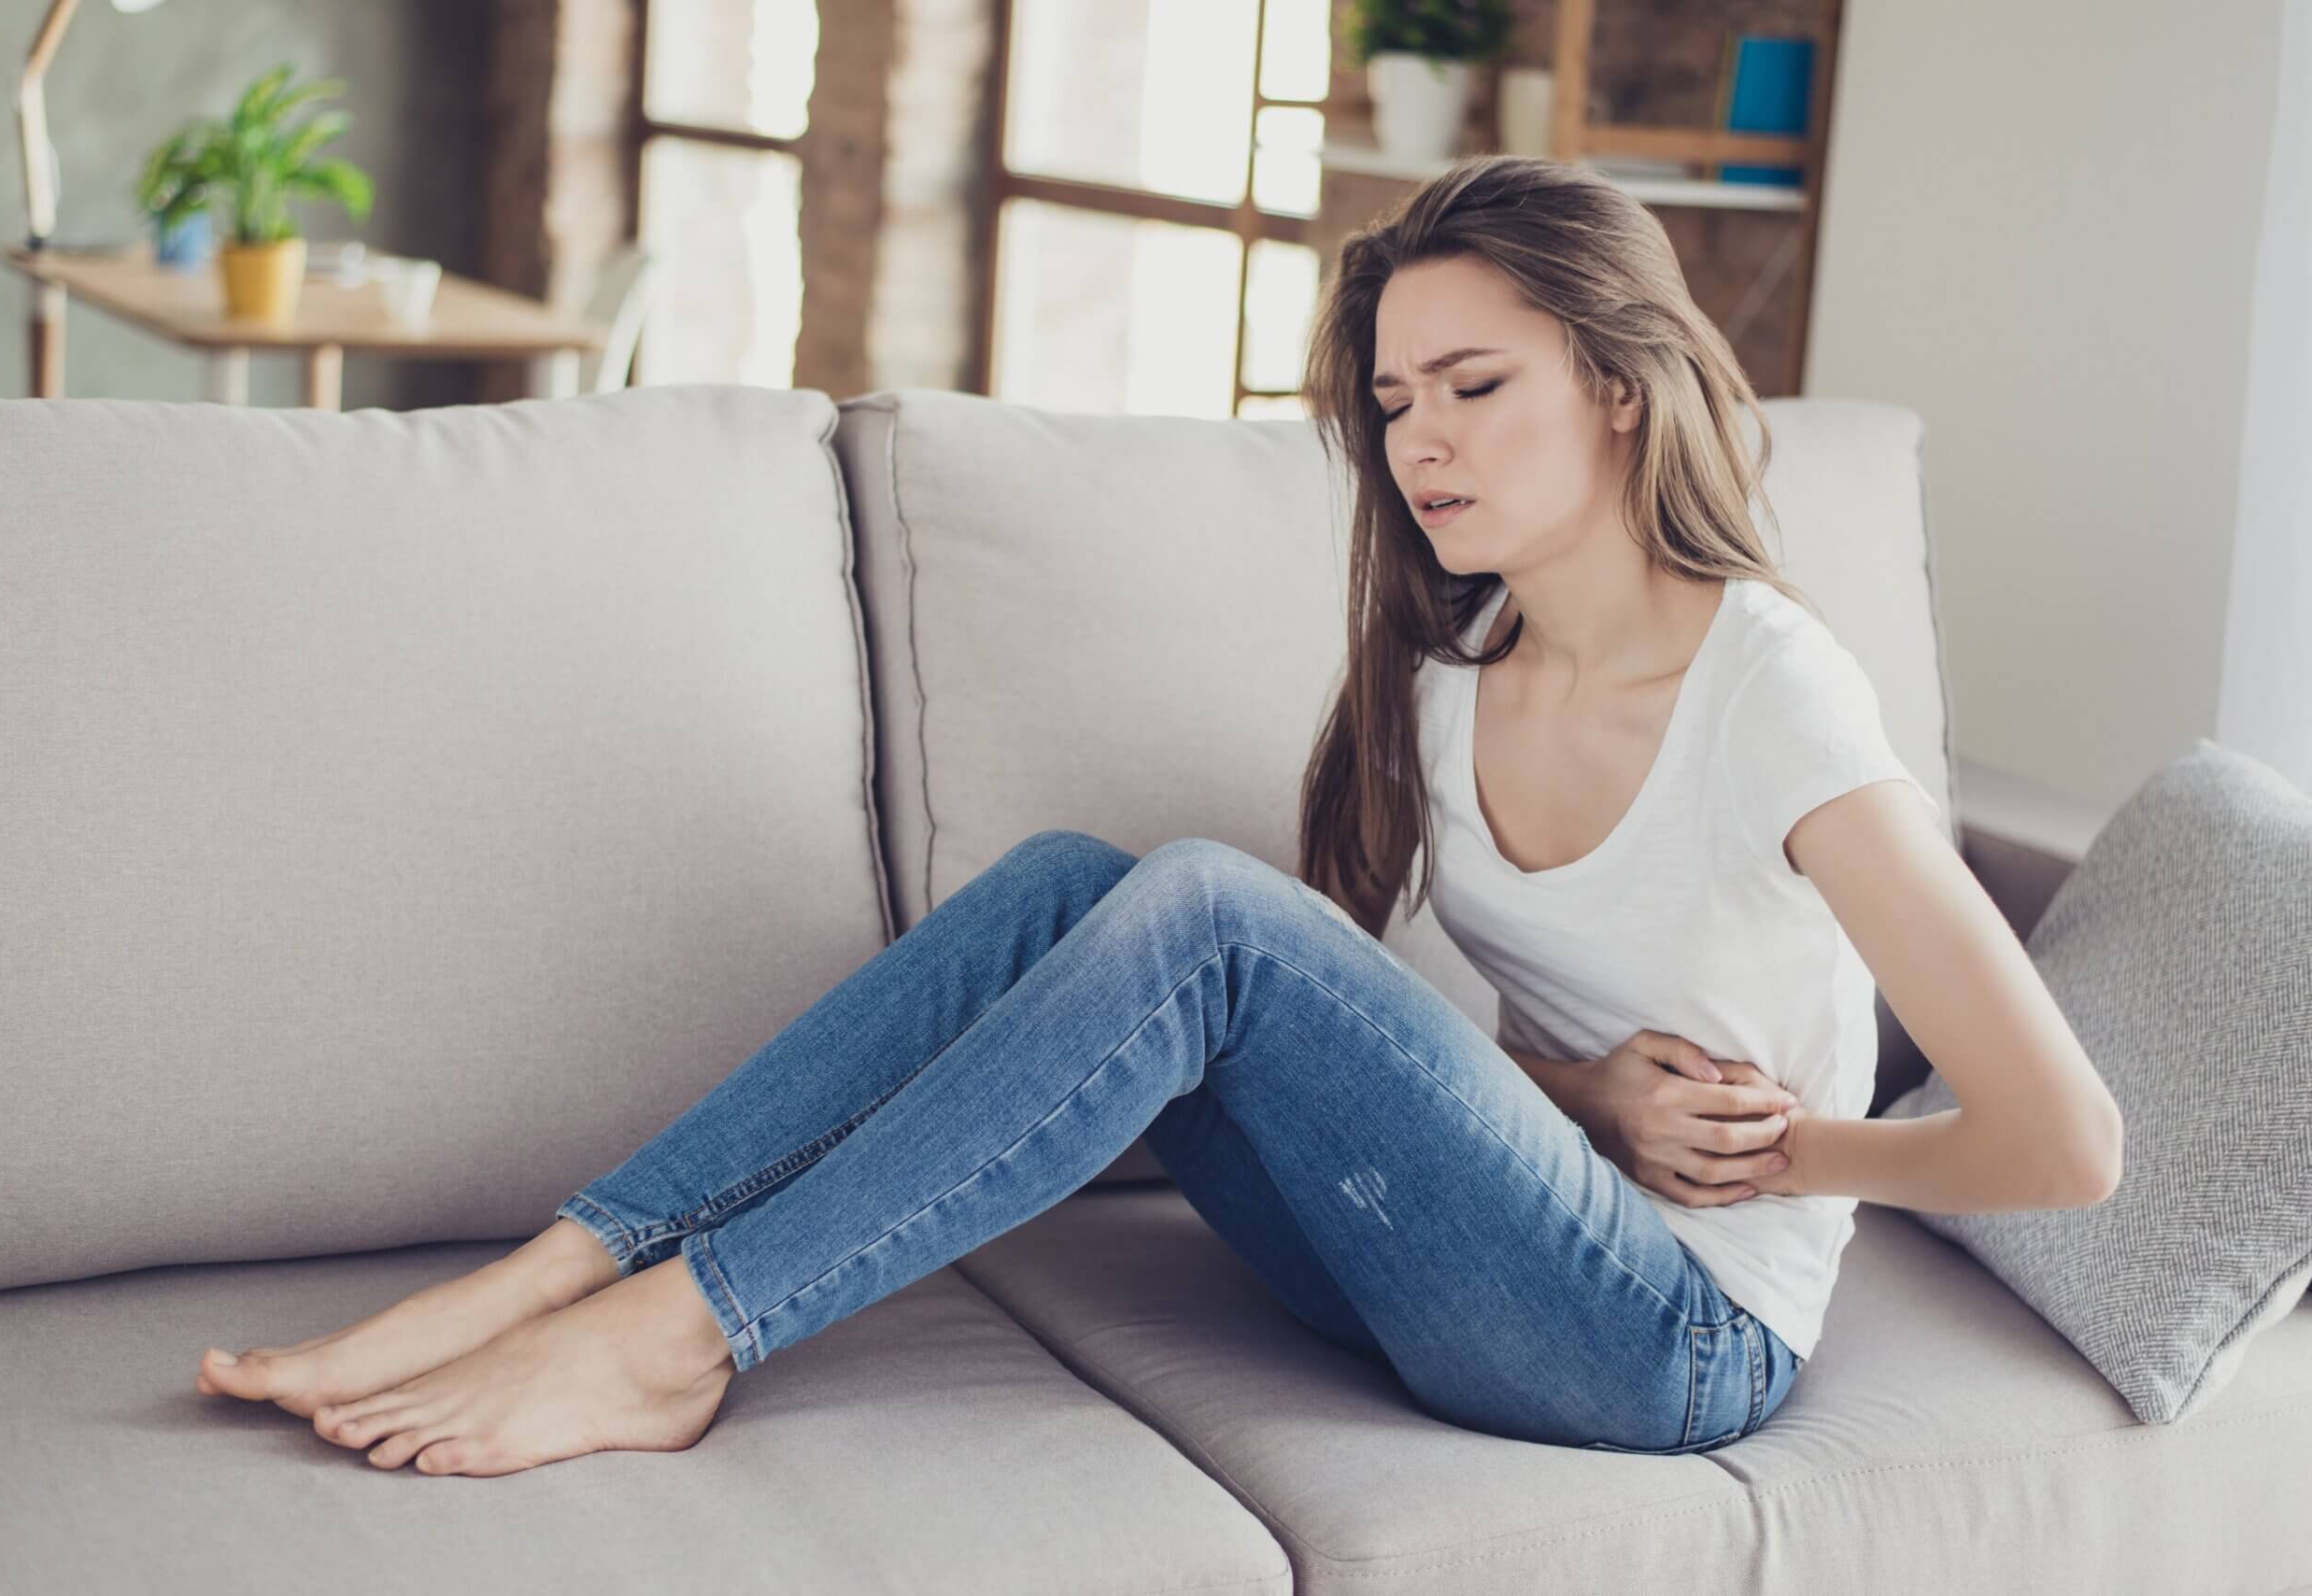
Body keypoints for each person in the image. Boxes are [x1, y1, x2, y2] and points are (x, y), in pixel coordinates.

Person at [193, 155, 2122, 1478]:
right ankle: (561, 1267)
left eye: (1473, 383)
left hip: (1670, 1345)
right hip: (1460, 1269)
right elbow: (1531, 1047)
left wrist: (1791, 1163)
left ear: (1618, 387)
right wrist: (1592, 1098)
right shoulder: (1452, 682)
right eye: (1391, 402)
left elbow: (2060, 1142)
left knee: (1204, 912)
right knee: (1064, 889)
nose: (1421, 441)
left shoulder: (1767, 687)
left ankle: (676, 1340)